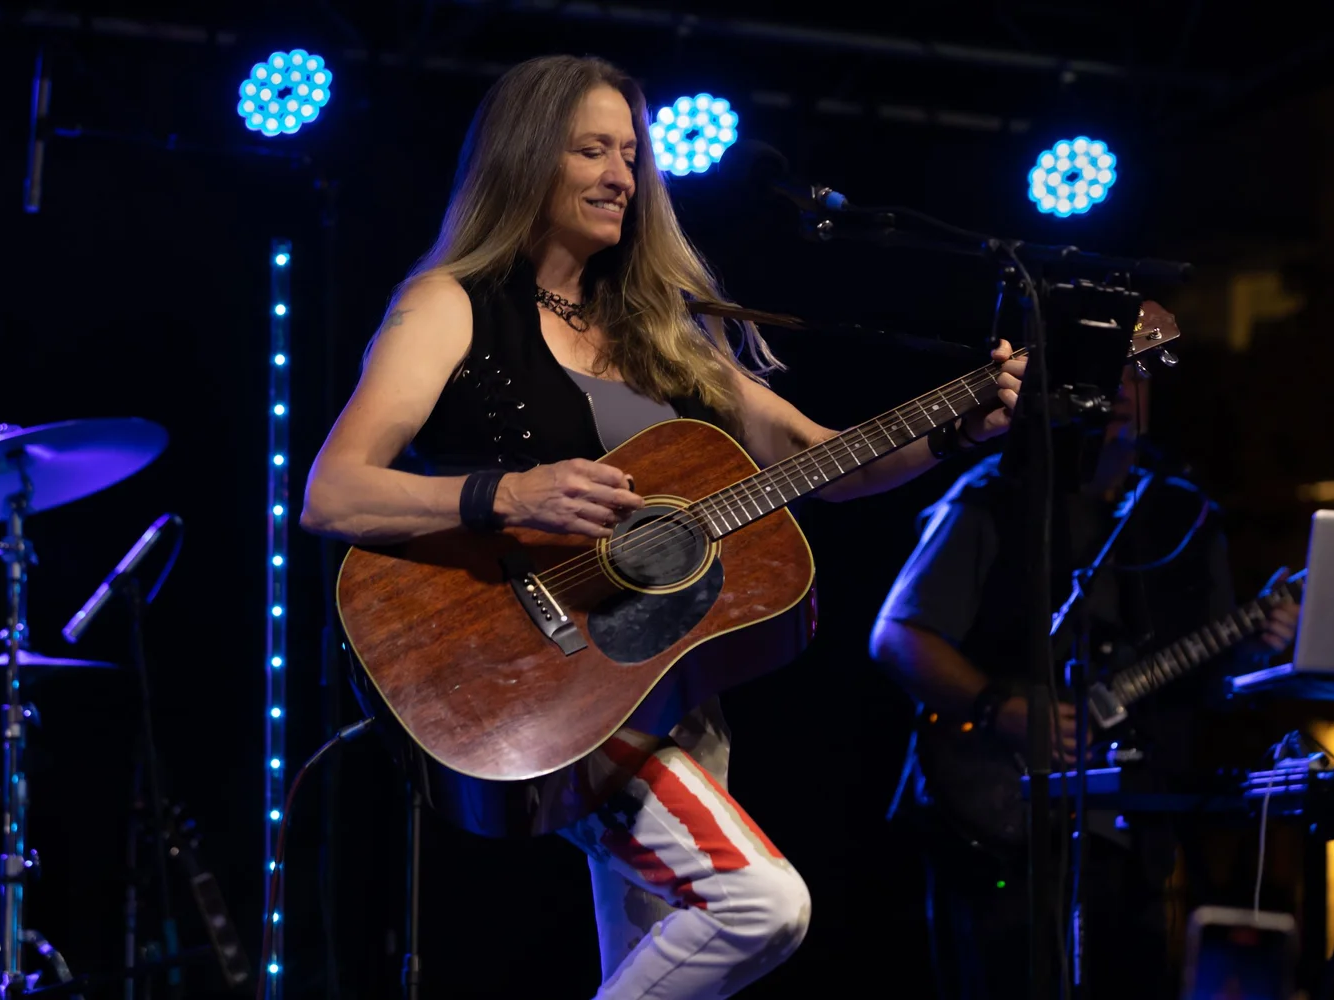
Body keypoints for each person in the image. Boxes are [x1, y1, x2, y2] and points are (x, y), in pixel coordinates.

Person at [300, 54, 1025, 1000]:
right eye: (592, 151)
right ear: (526, 157)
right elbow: (334, 492)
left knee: (666, 967)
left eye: (632, 157)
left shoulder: (666, 328)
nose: (621, 176)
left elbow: (829, 461)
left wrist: (963, 423)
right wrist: (505, 495)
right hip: (530, 674)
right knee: (760, 905)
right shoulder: (452, 304)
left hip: (665, 688)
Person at [868, 332, 1301, 999]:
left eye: (1139, 373)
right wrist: (1001, 708)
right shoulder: (994, 496)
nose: (1124, 388)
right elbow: (897, 635)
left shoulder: (1185, 514)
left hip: (1132, 832)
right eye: (1109, 371)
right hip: (992, 826)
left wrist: (1258, 645)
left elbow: (1210, 682)